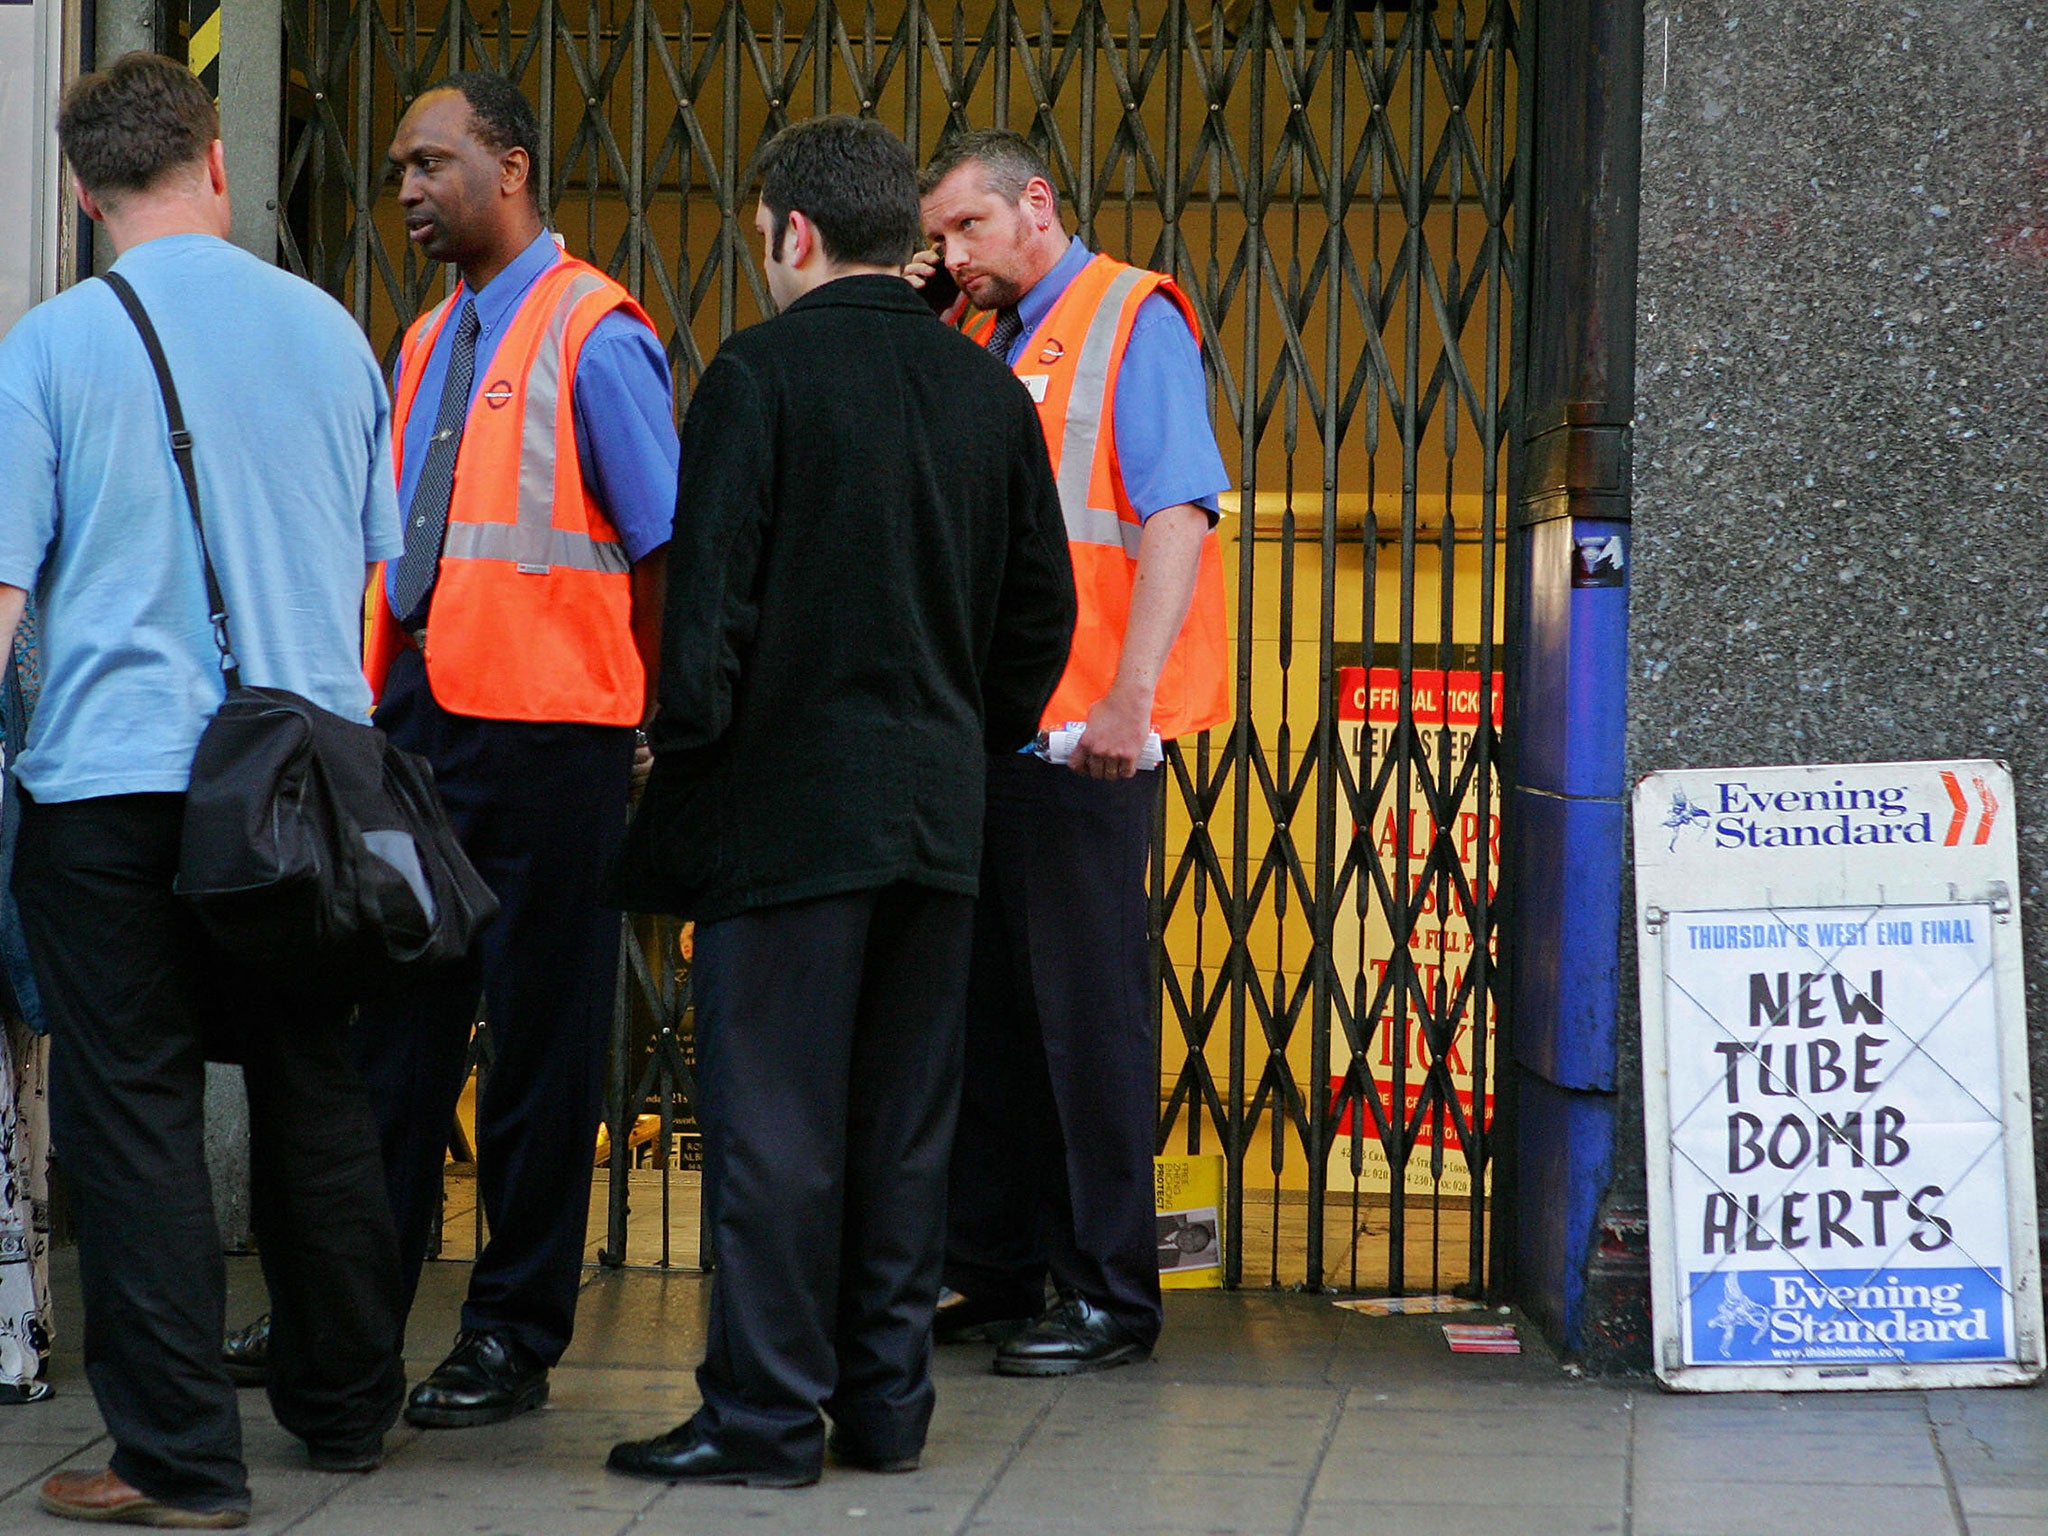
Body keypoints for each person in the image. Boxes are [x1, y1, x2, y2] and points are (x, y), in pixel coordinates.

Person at [604, 115, 1074, 1488]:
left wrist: (688, 753)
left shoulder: (758, 378)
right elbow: (1041, 616)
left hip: (786, 819)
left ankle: (761, 1419)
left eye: (760, 238)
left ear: (792, 234)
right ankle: (885, 1412)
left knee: (777, 1132)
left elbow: (706, 625)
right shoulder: (988, 392)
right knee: (904, 1130)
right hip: (936, 822)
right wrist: (961, 738)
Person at [0, 51, 407, 1526]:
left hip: (107, 787)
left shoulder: (48, 350)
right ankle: (351, 1407)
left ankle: (179, 1462)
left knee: (135, 1110)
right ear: (215, 165)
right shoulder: (334, 335)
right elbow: (377, 570)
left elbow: (2, 593)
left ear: (82, 190)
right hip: (297, 782)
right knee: (312, 1079)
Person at [344, 70, 675, 1428]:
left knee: (537, 1046)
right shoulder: (431, 340)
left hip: (552, 739)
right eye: (399, 171)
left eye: (432, 164)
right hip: (421, 724)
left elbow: (662, 546)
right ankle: (351, 1305)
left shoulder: (592, 332)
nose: (410, 191)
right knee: (392, 1035)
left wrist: (637, 711)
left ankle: (513, 1333)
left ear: (512, 167)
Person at [913, 130, 1232, 1375]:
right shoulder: (977, 334)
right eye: (935, 239)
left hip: (1083, 737)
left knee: (1082, 1018)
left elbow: (1175, 510)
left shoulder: (1125, 315)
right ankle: (996, 1268)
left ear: (1033, 206)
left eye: (964, 231)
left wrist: (1129, 700)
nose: (951, 256)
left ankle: (1108, 1290)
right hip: (989, 728)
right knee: (989, 1014)